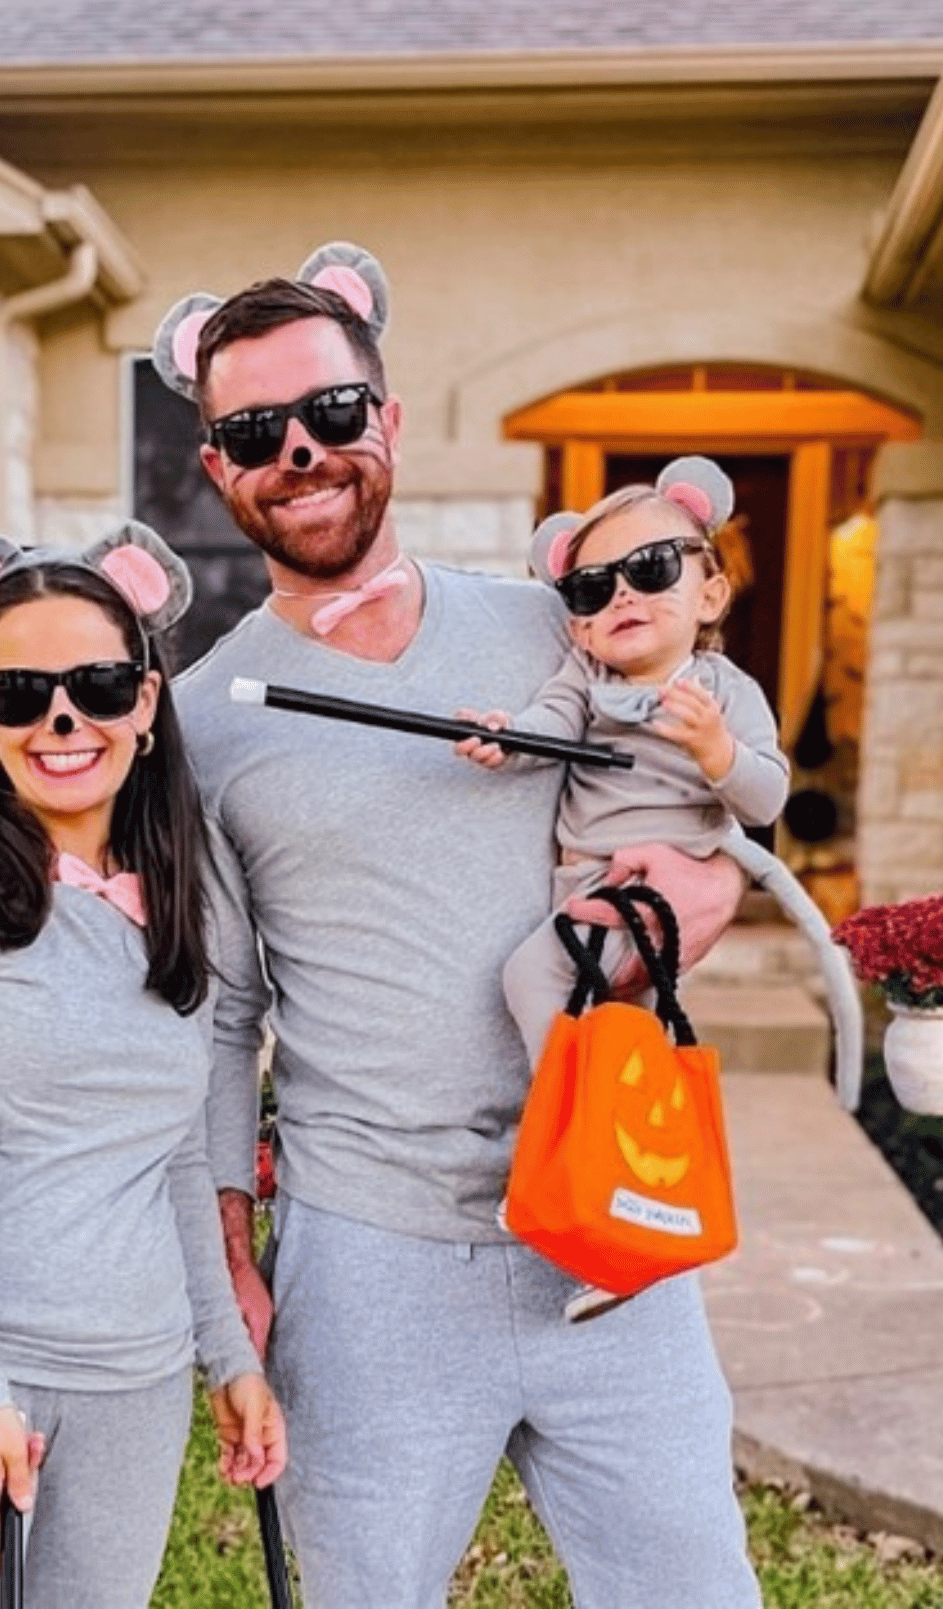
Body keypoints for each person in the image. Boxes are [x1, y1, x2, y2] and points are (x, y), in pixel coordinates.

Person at [155, 243, 763, 1609]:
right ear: (216, 467)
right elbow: (222, 1011)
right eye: (256, 432)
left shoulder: (563, 631)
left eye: (330, 414)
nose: (300, 451)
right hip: (372, 1262)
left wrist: (714, 888)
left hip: (614, 1227)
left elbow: (703, 805)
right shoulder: (200, 723)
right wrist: (228, 1263)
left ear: (391, 421)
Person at [0, 521, 285, 1609]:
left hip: (131, 1377)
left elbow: (177, 1153)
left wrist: (230, 1360)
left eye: (95, 682)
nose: (64, 719)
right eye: (22, 691)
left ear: (148, 697)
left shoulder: (186, 890)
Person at [453, 459, 789, 1317]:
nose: (622, 600)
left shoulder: (722, 693)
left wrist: (717, 752)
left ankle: (558, 1152)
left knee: (533, 978)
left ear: (710, 594)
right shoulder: (588, 686)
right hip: (587, 888)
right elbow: (548, 731)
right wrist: (507, 737)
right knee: (621, 1057)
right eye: (593, 590)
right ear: (578, 627)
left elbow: (766, 798)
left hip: (647, 891)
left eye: (652, 571)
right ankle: (620, 1225)